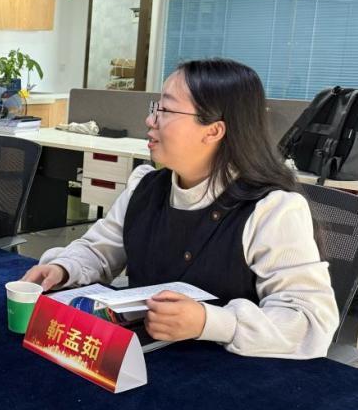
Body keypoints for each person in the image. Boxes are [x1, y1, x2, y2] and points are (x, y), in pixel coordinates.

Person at [23, 58, 338, 358]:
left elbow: (311, 321)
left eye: (165, 110)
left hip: (228, 374)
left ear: (213, 130)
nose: (150, 120)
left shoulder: (272, 210)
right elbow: (100, 250)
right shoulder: (146, 186)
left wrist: (209, 322)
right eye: (155, 108)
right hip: (139, 360)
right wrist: (64, 268)